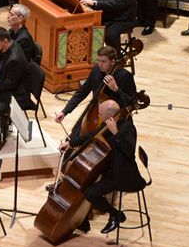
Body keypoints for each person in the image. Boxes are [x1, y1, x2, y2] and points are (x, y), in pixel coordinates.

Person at [58, 100, 146, 234]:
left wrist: (116, 133)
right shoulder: (106, 125)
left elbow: (129, 151)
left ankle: (114, 215)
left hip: (125, 175)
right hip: (110, 172)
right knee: (86, 188)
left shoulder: (128, 128)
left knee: (90, 192)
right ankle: (98, 218)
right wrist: (70, 143)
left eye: (100, 114)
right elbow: (91, 136)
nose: (99, 117)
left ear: (110, 115)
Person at [55, 46, 136, 128]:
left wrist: (116, 89)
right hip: (95, 112)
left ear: (112, 61)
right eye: (98, 60)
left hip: (115, 119)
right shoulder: (96, 70)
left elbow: (132, 102)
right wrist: (65, 111)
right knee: (76, 134)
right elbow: (82, 92)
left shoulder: (126, 76)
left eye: (103, 61)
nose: (100, 64)